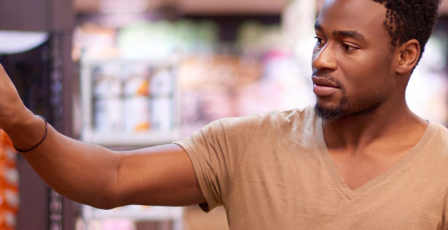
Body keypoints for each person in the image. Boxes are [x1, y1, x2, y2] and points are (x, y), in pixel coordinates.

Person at [0, 0, 446, 229]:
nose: (322, 59)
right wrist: (21, 122)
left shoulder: (440, 168)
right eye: (319, 39)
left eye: (347, 46)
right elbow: (111, 178)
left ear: (405, 56)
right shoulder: (248, 144)